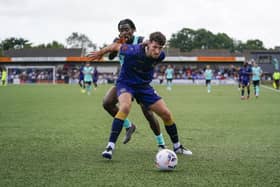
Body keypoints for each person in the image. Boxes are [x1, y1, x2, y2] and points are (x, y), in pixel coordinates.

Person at [89, 31, 192, 159]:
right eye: (154, 47)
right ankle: (110, 146)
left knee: (166, 114)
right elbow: (114, 46)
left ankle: (177, 147)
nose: (157, 51)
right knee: (125, 107)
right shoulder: (132, 50)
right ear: (148, 44)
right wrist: (100, 53)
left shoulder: (161, 56)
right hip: (126, 83)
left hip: (144, 87)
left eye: (160, 48)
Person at [101, 19, 165, 148]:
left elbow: (152, 53)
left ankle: (161, 143)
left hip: (140, 82)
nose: (124, 32)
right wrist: (119, 43)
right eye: (121, 30)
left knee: (148, 113)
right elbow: (111, 56)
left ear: (133, 29)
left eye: (126, 29)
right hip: (125, 81)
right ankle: (129, 126)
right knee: (107, 103)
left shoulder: (141, 40)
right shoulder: (118, 41)